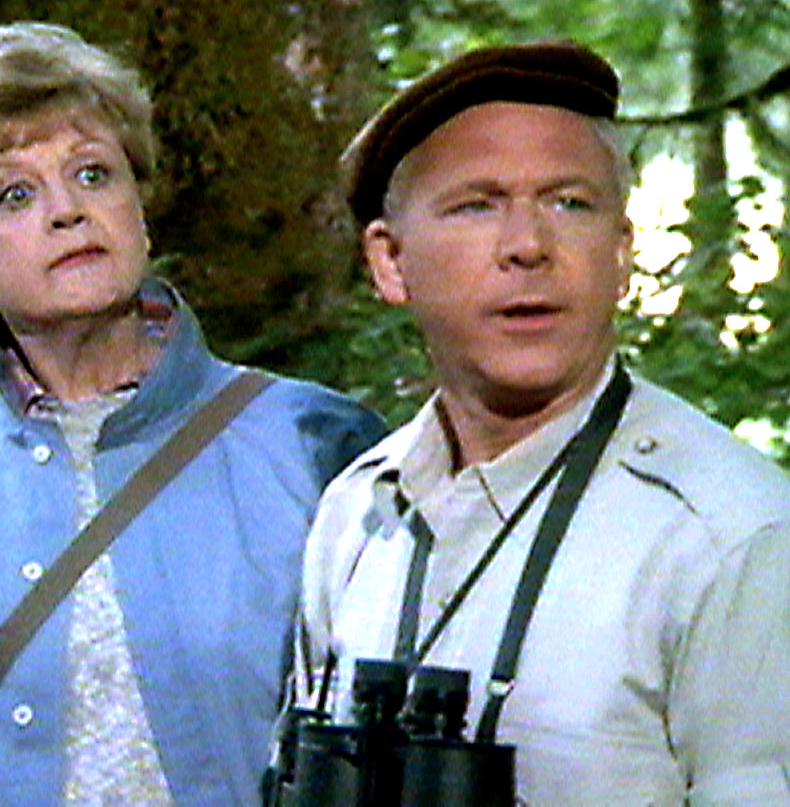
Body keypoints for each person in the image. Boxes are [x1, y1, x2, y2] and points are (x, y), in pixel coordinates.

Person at [0, 22, 385, 806]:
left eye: (93, 173)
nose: (67, 210)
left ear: (140, 210)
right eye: (14, 194)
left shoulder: (316, 443)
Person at [287, 40, 790, 804]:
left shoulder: (729, 537)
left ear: (621, 253)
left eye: (569, 203)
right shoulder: (358, 515)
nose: (528, 246)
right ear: (390, 262)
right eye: (477, 205)